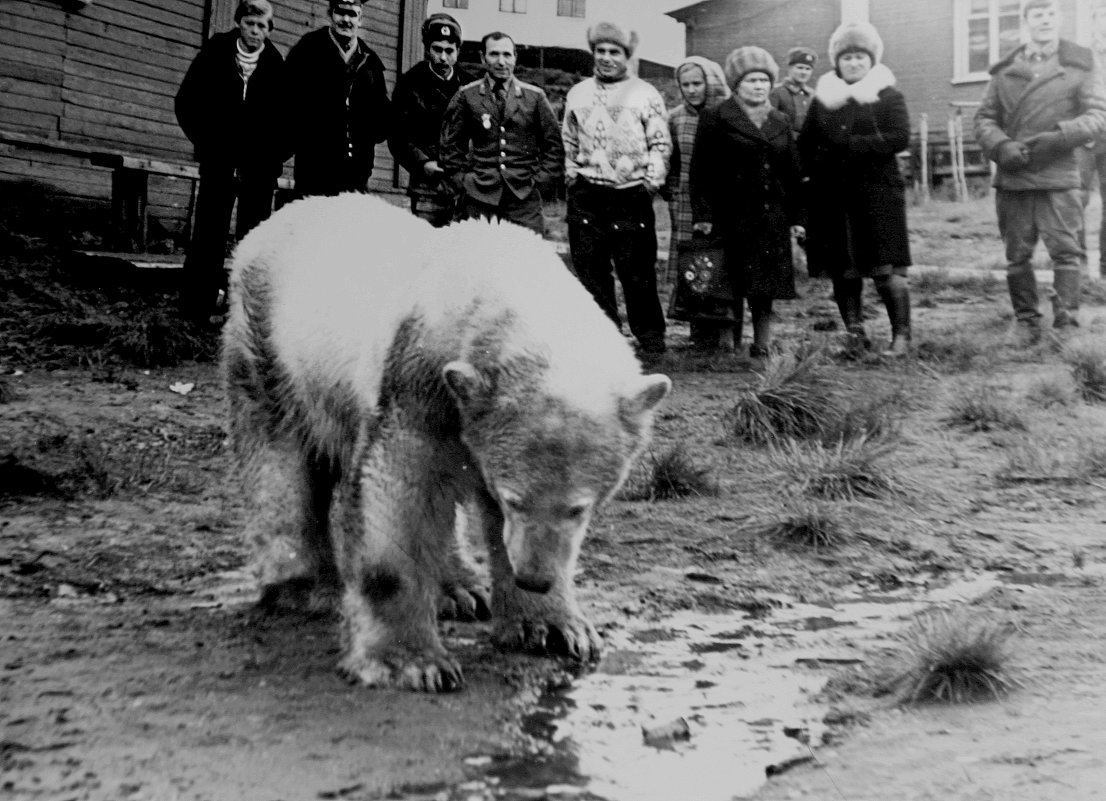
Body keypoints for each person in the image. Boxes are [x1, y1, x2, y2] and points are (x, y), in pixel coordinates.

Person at [975, 0, 1106, 341]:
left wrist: (1060, 137)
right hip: (1013, 173)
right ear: (1026, 21)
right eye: (1037, 14)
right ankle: (1026, 322)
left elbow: (1097, 114)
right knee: (1017, 255)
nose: (1044, 20)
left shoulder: (1080, 63)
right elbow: (985, 118)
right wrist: (1001, 146)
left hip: (1059, 171)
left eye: (1050, 13)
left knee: (1066, 252)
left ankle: (1066, 322)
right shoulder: (1004, 69)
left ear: (1059, 19)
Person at [798, 21, 913, 357]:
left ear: (871, 60)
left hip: (878, 195)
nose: (854, 63)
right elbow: (806, 145)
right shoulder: (824, 101)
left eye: (860, 57)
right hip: (833, 197)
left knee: (885, 267)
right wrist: (815, 172)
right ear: (837, 62)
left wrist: (853, 146)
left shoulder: (888, 95)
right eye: (847, 57)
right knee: (843, 267)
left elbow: (899, 137)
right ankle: (854, 333)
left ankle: (901, 337)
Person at [563, 22, 672, 362]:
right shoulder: (577, 93)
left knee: (636, 270)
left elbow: (660, 144)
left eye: (615, 52)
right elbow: (568, 139)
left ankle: (651, 342)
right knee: (591, 270)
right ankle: (604, 339)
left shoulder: (646, 94)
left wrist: (650, 181)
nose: (607, 58)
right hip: (587, 195)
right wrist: (572, 174)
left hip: (630, 195)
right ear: (593, 53)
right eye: (601, 51)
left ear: (627, 56)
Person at [174, 0, 286, 324]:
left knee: (252, 242)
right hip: (219, 165)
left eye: (262, 26)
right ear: (240, 23)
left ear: (269, 30)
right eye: (250, 23)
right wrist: (208, 144)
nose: (255, 31)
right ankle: (196, 308)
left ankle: (245, 315)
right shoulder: (216, 53)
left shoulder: (276, 66)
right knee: (208, 235)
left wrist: (271, 158)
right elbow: (186, 101)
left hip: (258, 173)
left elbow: (290, 122)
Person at [691, 47, 801, 361]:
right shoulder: (716, 117)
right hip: (730, 215)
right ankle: (727, 343)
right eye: (751, 80)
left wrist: (797, 217)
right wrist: (704, 215)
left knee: (764, 284)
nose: (758, 86)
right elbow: (701, 171)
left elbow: (792, 174)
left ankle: (762, 343)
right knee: (728, 279)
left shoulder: (780, 119)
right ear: (737, 84)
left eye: (764, 80)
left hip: (770, 217)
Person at [439, 32, 563, 235]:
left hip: (524, 200)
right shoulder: (467, 96)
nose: (501, 62)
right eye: (494, 54)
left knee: (524, 260)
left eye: (507, 55)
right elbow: (450, 147)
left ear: (515, 57)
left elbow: (554, 147)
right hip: (479, 197)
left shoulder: (535, 97)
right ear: (482, 58)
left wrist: (538, 184)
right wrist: (464, 182)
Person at [285, 0, 391, 198]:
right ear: (329, 14)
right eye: (340, 12)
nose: (346, 20)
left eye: (352, 14)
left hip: (355, 174)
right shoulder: (307, 51)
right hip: (314, 171)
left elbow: (382, 120)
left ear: (361, 18)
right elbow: (287, 105)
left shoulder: (370, 62)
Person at [663, 56, 734, 351]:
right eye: (686, 84)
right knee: (694, 263)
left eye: (698, 83)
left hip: (724, 199)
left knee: (724, 262)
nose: (692, 90)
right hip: (687, 201)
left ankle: (726, 334)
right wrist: (673, 193)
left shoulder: (729, 113)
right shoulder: (676, 117)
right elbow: (672, 162)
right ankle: (698, 332)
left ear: (711, 82)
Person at [388, 14, 474, 227]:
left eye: (449, 51)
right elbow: (398, 135)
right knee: (427, 249)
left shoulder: (471, 86)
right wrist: (423, 163)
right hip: (427, 187)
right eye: (437, 49)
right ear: (427, 49)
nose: (443, 58)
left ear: (458, 52)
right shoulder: (410, 83)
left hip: (465, 187)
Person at [770, 46, 817, 136]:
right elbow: (771, 124)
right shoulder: (777, 92)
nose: (804, 72)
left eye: (808, 69)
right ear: (790, 68)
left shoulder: (812, 94)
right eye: (800, 68)